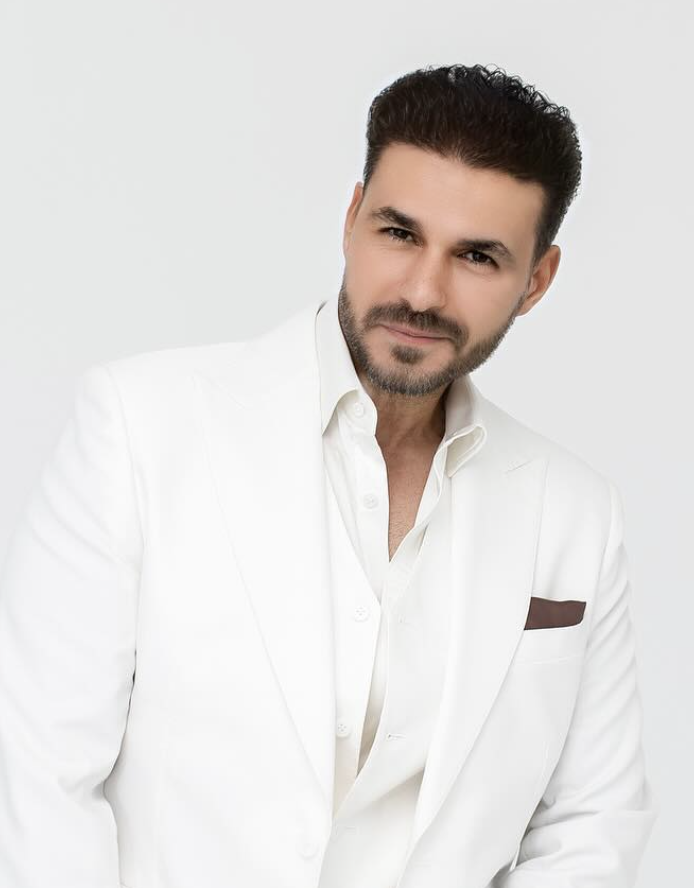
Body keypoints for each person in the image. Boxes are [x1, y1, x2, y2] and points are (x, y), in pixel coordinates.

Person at [0, 63, 658, 888]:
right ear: (351, 220)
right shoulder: (141, 428)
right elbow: (40, 772)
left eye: (477, 256)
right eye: (399, 233)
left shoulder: (575, 514)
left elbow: (593, 824)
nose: (423, 292)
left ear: (537, 280)